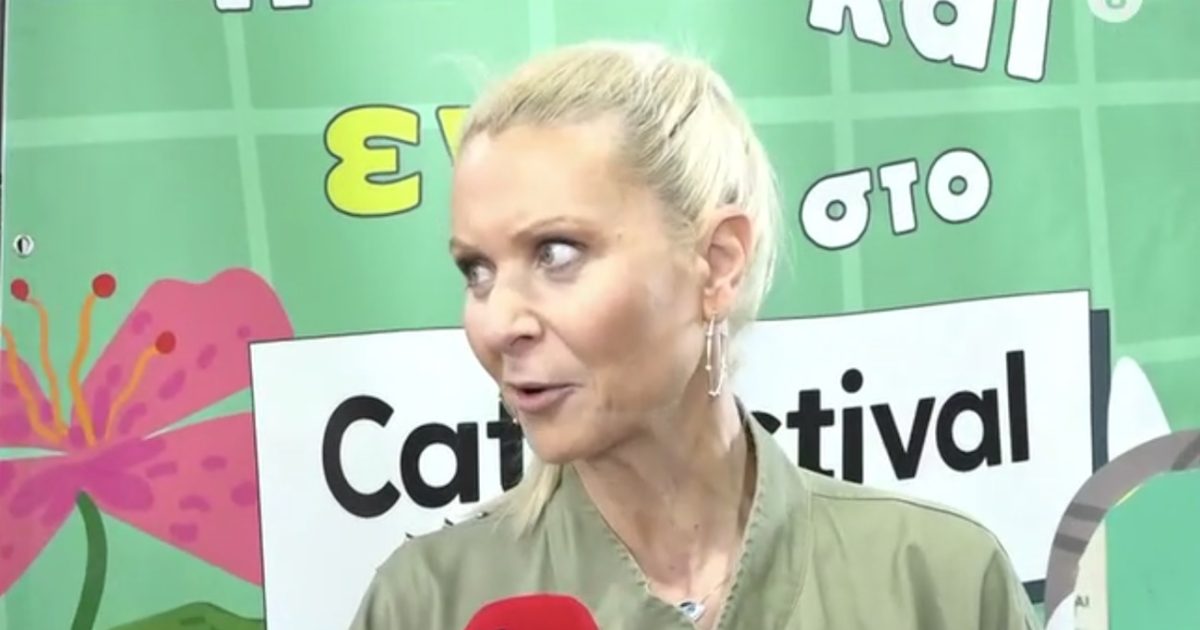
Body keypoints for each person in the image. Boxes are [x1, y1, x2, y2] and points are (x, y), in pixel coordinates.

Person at [348, 40, 1042, 630]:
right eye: (476, 271)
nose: (499, 323)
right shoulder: (427, 605)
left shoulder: (938, 584)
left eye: (556, 253)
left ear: (717, 262)